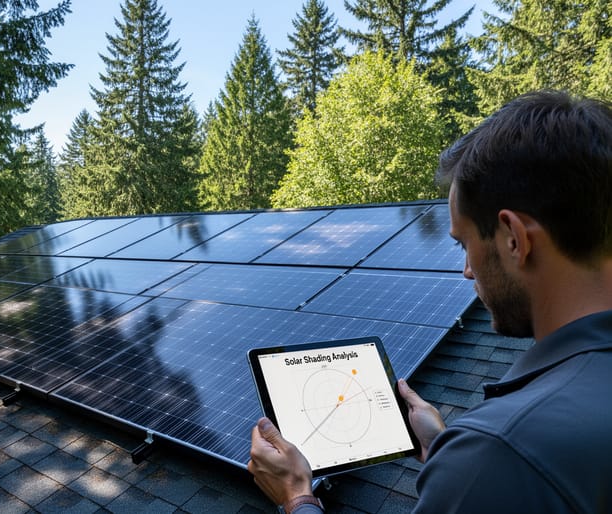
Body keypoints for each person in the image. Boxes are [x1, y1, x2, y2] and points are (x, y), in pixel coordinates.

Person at [248, 90, 612, 513]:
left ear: (515, 239)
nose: (468, 271)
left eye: (464, 244)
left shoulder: (504, 452)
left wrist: (298, 496)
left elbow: (511, 465)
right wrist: (443, 446)